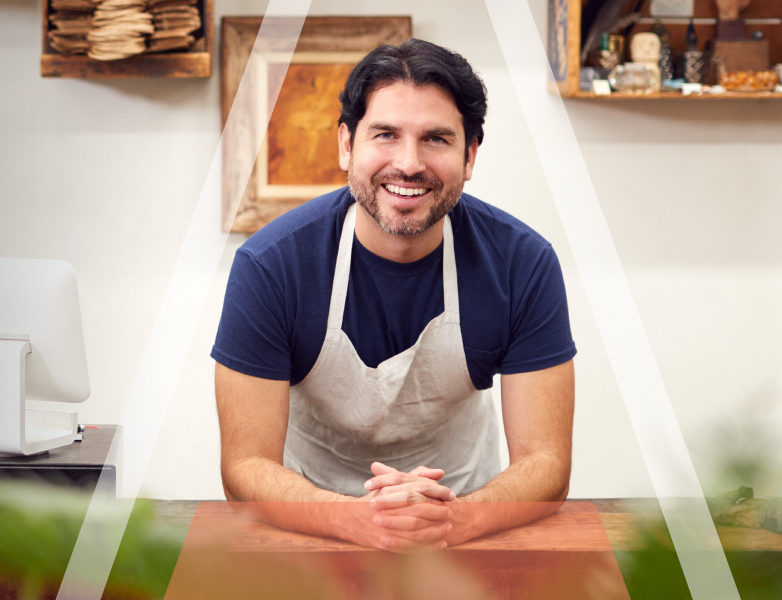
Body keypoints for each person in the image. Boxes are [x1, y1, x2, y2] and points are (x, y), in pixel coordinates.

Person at [212, 39, 576, 551]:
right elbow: (244, 467)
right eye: (385, 134)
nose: (408, 164)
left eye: (436, 139)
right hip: (307, 527)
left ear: (470, 155)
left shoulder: (522, 264)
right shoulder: (271, 267)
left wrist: (458, 520)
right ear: (346, 144)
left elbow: (547, 464)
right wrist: (357, 520)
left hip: (467, 525)